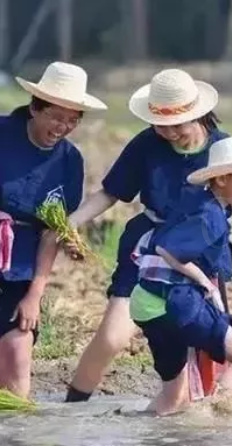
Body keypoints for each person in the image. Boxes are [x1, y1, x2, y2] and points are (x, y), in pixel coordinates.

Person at [63, 69, 232, 403]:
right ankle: (73, 409)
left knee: (196, 350)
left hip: (201, 254)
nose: (168, 132)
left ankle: (186, 417)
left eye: (177, 124)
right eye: (160, 124)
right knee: (113, 337)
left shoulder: (224, 149)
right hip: (148, 249)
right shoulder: (147, 145)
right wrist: (72, 222)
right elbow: (111, 192)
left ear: (198, 114)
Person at [129, 135, 232, 415]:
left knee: (173, 398)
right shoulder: (210, 214)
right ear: (221, 180)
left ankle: (138, 425)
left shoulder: (197, 201)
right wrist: (202, 279)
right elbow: (168, 249)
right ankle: (212, 416)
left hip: (147, 303)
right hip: (173, 300)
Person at [0, 62, 107, 398]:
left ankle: (20, 425)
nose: (63, 127)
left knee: (19, 345)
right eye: (56, 117)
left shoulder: (69, 162)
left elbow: (52, 230)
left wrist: (35, 295)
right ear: (35, 108)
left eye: (72, 120)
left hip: (23, 262)